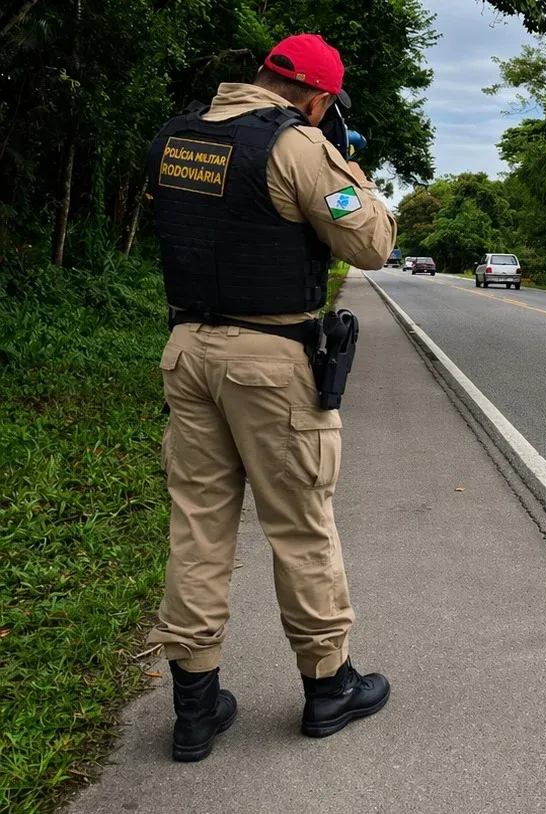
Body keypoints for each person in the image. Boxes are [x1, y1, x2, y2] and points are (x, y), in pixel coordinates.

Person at [144, 33, 396, 762]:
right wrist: (347, 163)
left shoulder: (174, 138)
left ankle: (195, 707)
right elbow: (370, 244)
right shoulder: (298, 147)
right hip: (270, 359)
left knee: (198, 526)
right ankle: (328, 688)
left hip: (188, 350)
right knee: (300, 525)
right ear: (318, 97)